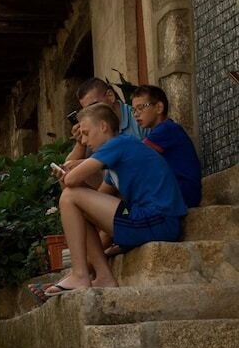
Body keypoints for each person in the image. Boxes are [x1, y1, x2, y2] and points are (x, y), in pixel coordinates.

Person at [42, 103, 187, 297]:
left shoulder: (119, 143)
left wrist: (70, 170)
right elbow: (93, 201)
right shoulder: (115, 166)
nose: (84, 141)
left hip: (157, 219)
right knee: (75, 201)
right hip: (139, 216)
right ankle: (103, 276)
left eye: (86, 133)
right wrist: (70, 178)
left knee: (69, 196)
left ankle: (80, 274)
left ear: (103, 127)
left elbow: (72, 180)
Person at [130, 85, 202, 208]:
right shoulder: (160, 131)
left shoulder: (167, 129)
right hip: (177, 192)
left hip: (183, 192)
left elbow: (134, 156)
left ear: (159, 107)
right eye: (134, 110)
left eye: (141, 107)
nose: (136, 114)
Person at [64, 77, 147, 180]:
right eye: (87, 110)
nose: (92, 112)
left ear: (110, 96)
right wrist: (81, 142)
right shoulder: (94, 125)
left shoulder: (138, 118)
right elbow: (67, 169)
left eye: (94, 105)